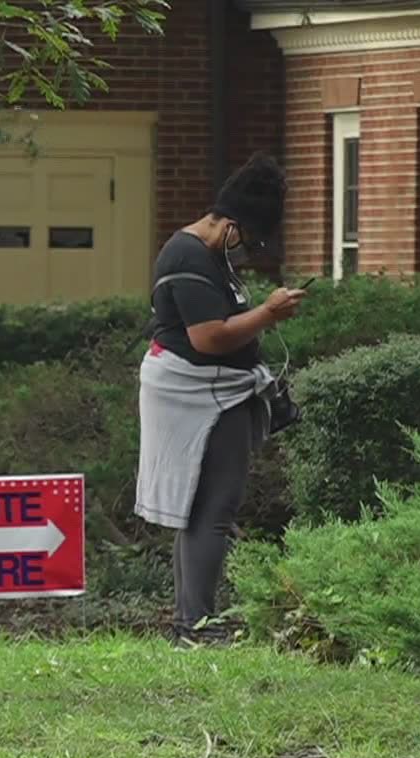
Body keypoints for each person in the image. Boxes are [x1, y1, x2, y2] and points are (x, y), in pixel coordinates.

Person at [135, 154, 303, 647]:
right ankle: (197, 628)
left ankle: (191, 623)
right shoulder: (188, 258)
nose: (251, 250)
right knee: (213, 510)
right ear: (232, 226)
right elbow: (208, 337)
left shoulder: (210, 256)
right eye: (251, 239)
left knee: (200, 510)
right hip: (197, 392)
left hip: (215, 388)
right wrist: (269, 314)